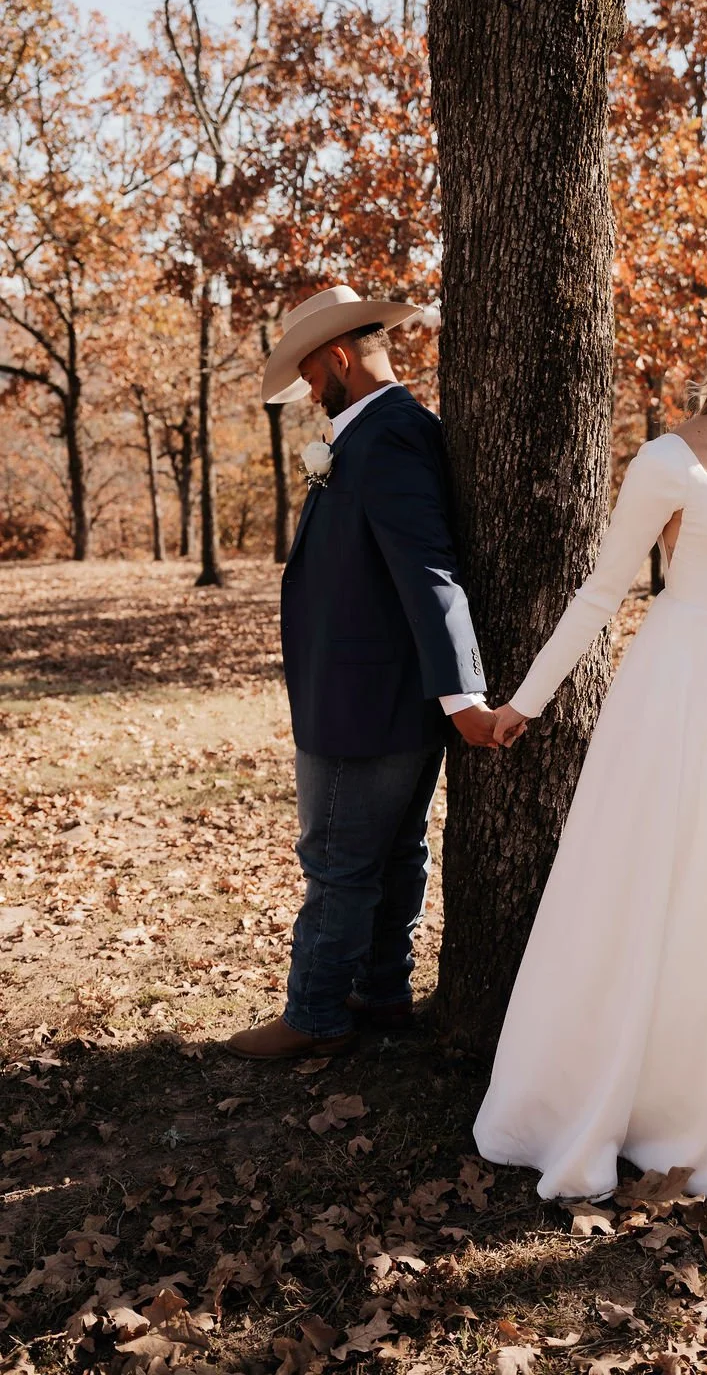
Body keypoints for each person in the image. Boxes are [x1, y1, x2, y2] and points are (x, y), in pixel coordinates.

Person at [475, 286, 707, 1200]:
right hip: (680, 684)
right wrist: (527, 698)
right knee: (666, 880)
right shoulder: (669, 461)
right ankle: (635, 1098)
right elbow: (602, 594)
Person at [227, 284, 496, 1061]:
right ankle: (381, 992)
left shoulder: (387, 437)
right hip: (375, 688)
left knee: (339, 862)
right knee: (391, 851)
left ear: (340, 357)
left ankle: (314, 1014)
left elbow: (428, 569)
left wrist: (463, 695)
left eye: (312, 375)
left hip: (364, 697)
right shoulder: (380, 432)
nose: (311, 393)